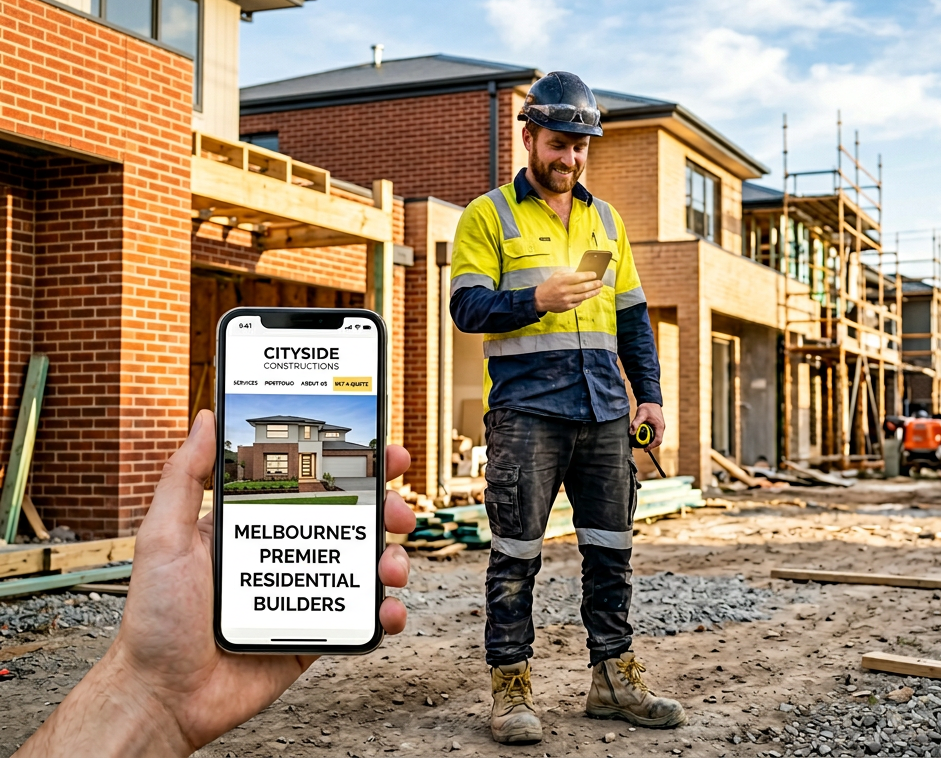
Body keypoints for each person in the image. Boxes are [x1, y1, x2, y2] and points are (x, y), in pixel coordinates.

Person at [449, 70, 684, 745]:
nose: (570, 159)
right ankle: (511, 686)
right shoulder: (487, 215)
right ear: (529, 138)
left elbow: (633, 319)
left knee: (611, 552)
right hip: (526, 411)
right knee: (515, 554)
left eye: (581, 148)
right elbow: (466, 308)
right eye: (559, 144)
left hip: (605, 409)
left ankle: (612, 679)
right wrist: (534, 301)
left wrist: (652, 398)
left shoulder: (604, 219)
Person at [14, 410, 416, 757]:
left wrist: (145, 695)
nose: (300, 443)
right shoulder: (258, 457)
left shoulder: (330, 450)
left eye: (309, 436)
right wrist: (146, 687)